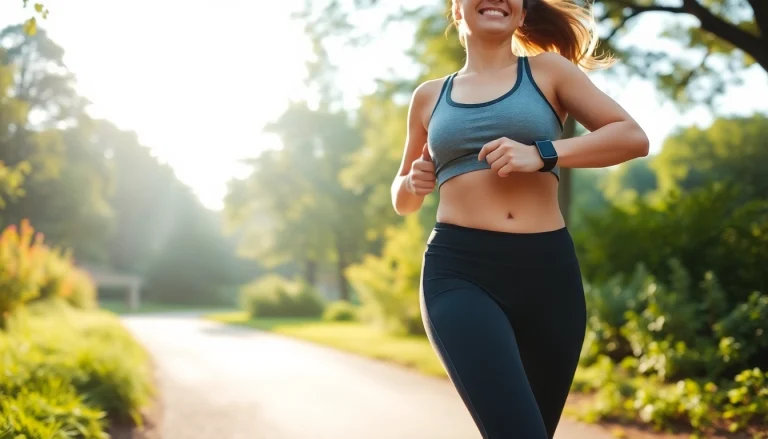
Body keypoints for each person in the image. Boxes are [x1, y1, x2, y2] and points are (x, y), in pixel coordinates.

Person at [390, 0, 649, 438]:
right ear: (458, 11)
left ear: (523, 14)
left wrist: (542, 152)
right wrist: (413, 182)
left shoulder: (548, 72)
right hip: (460, 272)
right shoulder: (429, 96)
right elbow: (401, 199)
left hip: (548, 275)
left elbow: (631, 137)